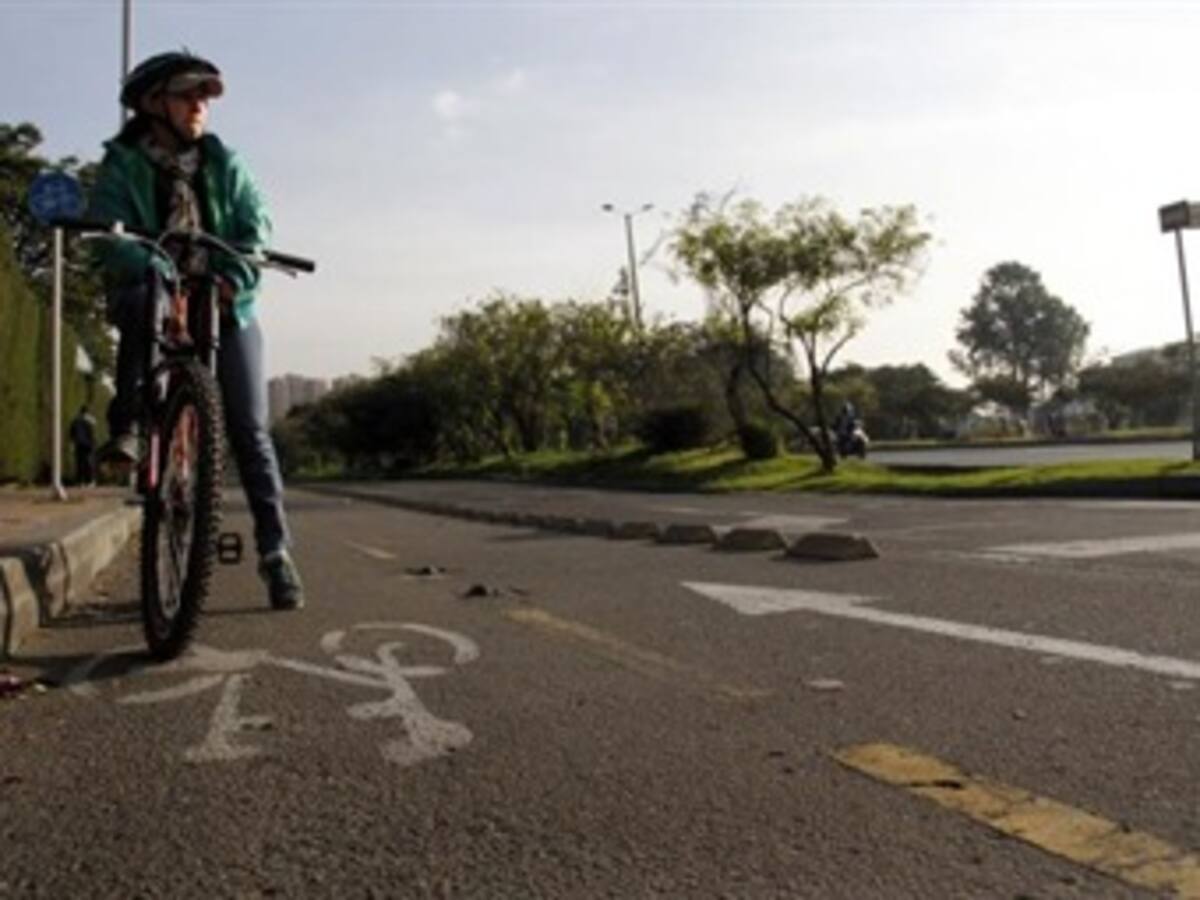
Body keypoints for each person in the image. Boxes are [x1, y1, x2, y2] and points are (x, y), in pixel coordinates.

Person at [88, 50, 303, 610]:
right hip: (154, 294)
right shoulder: (122, 163)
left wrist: (234, 276)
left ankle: (276, 553)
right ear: (152, 103)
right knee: (144, 296)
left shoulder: (226, 163)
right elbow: (108, 233)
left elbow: (255, 227)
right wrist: (155, 269)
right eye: (188, 94)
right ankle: (131, 426)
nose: (200, 106)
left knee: (251, 431)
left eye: (206, 97)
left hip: (226, 302)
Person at [68, 404, 96, 486]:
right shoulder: (90, 422)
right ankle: (89, 480)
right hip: (88, 445)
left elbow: (72, 434)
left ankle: (80, 481)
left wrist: (72, 444)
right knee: (89, 463)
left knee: (79, 463)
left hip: (78, 444)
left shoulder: (75, 421)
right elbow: (91, 434)